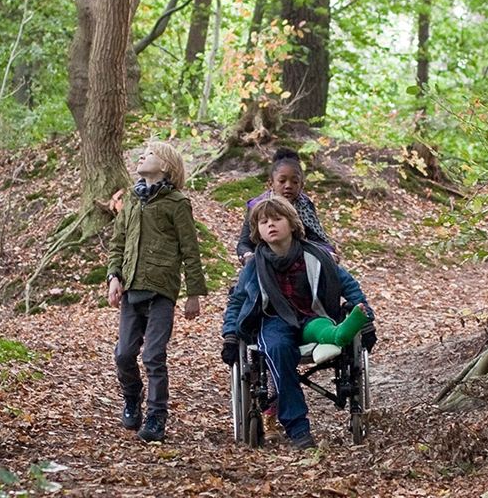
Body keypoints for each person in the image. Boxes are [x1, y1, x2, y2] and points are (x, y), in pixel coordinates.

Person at [221, 196, 374, 449]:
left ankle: (343, 332)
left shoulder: (316, 257)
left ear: (292, 224)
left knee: (326, 328)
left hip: (312, 316)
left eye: (277, 219)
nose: (270, 225)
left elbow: (349, 284)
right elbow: (237, 302)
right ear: (257, 230)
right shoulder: (254, 266)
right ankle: (298, 429)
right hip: (273, 322)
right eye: (263, 222)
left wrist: (366, 316)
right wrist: (229, 335)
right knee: (278, 349)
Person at [105, 142, 207, 443]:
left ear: (165, 167)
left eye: (149, 154)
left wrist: (193, 293)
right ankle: (132, 398)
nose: (142, 156)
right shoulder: (132, 199)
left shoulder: (177, 203)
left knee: (153, 355)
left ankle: (156, 415)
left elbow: (191, 250)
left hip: (161, 291)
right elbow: (118, 242)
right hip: (132, 289)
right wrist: (114, 276)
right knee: (124, 354)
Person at [236, 148, 334, 264]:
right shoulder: (258, 206)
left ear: (302, 185)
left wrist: (328, 253)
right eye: (282, 181)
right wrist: (247, 255)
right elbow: (244, 243)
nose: (288, 186)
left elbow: (316, 239)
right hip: (264, 263)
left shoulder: (305, 206)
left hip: (299, 263)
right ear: (271, 183)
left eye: (295, 182)